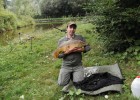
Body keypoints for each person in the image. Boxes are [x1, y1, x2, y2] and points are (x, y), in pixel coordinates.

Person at [57, 21, 91, 93]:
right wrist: (66, 53)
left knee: (79, 83)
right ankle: (70, 77)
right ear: (67, 28)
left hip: (77, 65)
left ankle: (75, 75)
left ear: (75, 29)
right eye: (70, 27)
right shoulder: (61, 41)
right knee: (61, 83)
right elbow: (58, 55)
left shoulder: (80, 38)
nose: (72, 29)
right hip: (66, 66)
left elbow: (88, 47)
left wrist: (82, 49)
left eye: (74, 28)